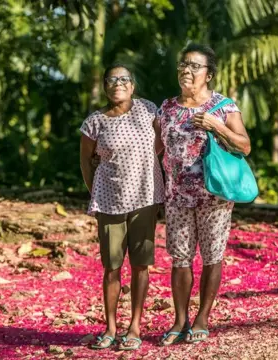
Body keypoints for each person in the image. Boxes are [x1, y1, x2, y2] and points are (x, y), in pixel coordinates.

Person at [155, 44, 251, 345]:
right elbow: (156, 149)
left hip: (215, 197)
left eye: (195, 66)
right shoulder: (167, 108)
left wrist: (215, 126)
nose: (186, 70)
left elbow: (245, 145)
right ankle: (180, 320)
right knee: (180, 259)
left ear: (208, 74)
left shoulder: (224, 106)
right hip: (177, 197)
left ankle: (202, 318)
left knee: (212, 256)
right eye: (183, 64)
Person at [79, 64, 165, 351]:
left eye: (124, 79)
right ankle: (111, 328)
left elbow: (161, 143)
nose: (118, 83)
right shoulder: (95, 121)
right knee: (112, 267)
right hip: (109, 202)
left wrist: (145, 168)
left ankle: (135, 327)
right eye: (112, 80)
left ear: (133, 85)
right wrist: (97, 191)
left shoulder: (148, 109)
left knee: (141, 265)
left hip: (145, 199)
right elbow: (85, 161)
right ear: (105, 86)